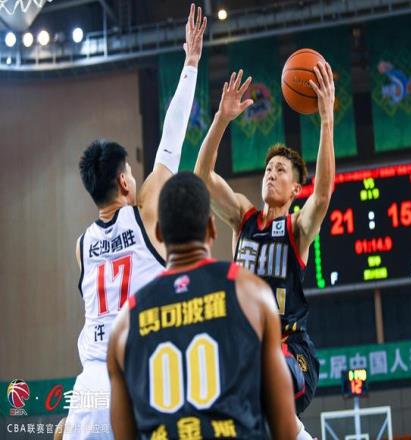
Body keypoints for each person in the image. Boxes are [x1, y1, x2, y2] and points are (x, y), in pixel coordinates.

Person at [61, 6, 207, 439]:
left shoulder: (81, 246)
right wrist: (191, 63)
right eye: (132, 172)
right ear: (125, 181)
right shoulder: (145, 215)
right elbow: (171, 142)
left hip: (89, 389)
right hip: (142, 376)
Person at [194, 64, 335, 438]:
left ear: (295, 190)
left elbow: (323, 196)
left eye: (281, 170)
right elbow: (202, 178)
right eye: (268, 169)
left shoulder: (297, 229)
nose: (271, 173)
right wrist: (221, 120)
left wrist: (326, 120)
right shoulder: (244, 218)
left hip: (293, 353)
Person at [107, 172, 297, 440]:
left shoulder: (124, 323)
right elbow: (285, 430)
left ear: (159, 233)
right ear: (211, 228)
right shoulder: (252, 294)